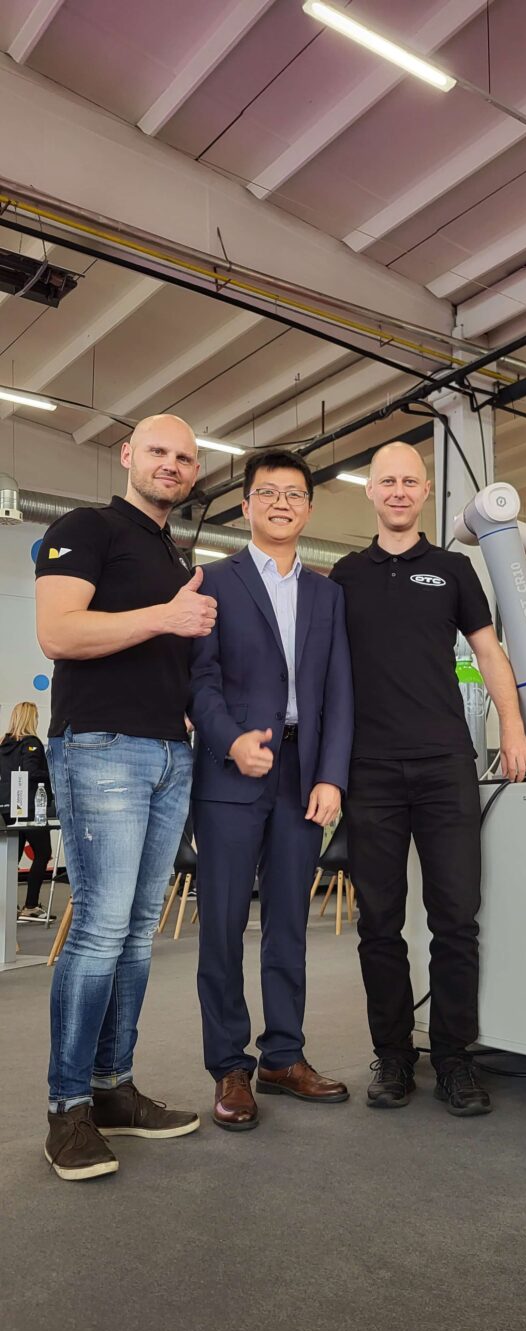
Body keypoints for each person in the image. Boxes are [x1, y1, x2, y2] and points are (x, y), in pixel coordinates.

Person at [35, 413, 216, 1181]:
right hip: (102, 746)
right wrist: (168, 617)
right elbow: (58, 633)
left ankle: (113, 1089)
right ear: (127, 455)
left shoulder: (170, 553)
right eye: (159, 452)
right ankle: (68, 1109)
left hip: (170, 755)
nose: (171, 464)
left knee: (139, 933)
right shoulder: (86, 528)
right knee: (101, 930)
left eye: (185, 457)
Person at [330, 441, 526, 1118]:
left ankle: (453, 1058)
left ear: (425, 492)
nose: (397, 490)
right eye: (385, 480)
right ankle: (392, 1056)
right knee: (379, 923)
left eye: (408, 481)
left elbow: (489, 652)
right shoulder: (344, 575)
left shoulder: (452, 569)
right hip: (369, 770)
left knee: (456, 921)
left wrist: (512, 728)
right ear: (370, 490)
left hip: (446, 765)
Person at [189, 450, 353, 1131]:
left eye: (293, 494)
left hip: (301, 774)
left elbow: (339, 692)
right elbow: (199, 678)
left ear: (308, 508)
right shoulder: (213, 581)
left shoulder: (327, 594)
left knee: (288, 922)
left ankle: (283, 1056)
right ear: (246, 506)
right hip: (231, 770)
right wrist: (230, 741)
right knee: (223, 923)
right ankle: (230, 1067)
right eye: (267, 493)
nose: (281, 503)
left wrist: (331, 775)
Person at [0, 701, 53, 918]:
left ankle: (6, 906)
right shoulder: (31, 743)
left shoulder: (3, 745)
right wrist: (53, 775)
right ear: (31, 719)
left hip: (7, 807)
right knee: (43, 853)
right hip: (30, 807)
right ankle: (30, 906)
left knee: (12, 857)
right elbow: (31, 771)